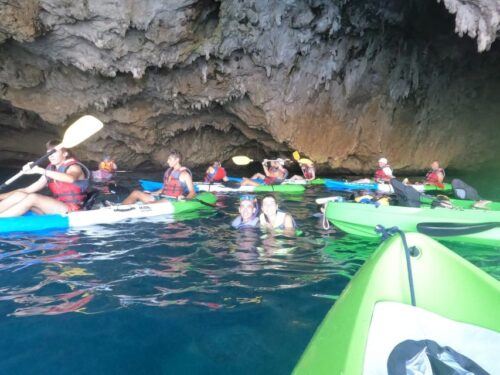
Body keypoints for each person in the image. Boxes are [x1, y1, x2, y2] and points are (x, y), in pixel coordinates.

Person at [0, 139, 90, 217]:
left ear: (65, 154)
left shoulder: (74, 167)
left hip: (73, 209)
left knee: (33, 198)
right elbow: (27, 190)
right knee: (21, 195)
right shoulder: (51, 169)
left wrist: (41, 171)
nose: (50, 156)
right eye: (48, 154)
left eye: (54, 153)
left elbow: (70, 179)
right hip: (55, 206)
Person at [121, 150, 195, 204]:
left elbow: (192, 192)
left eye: (170, 159)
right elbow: (164, 188)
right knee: (135, 193)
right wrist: (152, 193)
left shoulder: (185, 174)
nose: (167, 161)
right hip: (161, 197)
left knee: (151, 204)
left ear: (177, 160)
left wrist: (185, 199)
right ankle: (119, 208)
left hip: (172, 200)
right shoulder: (169, 172)